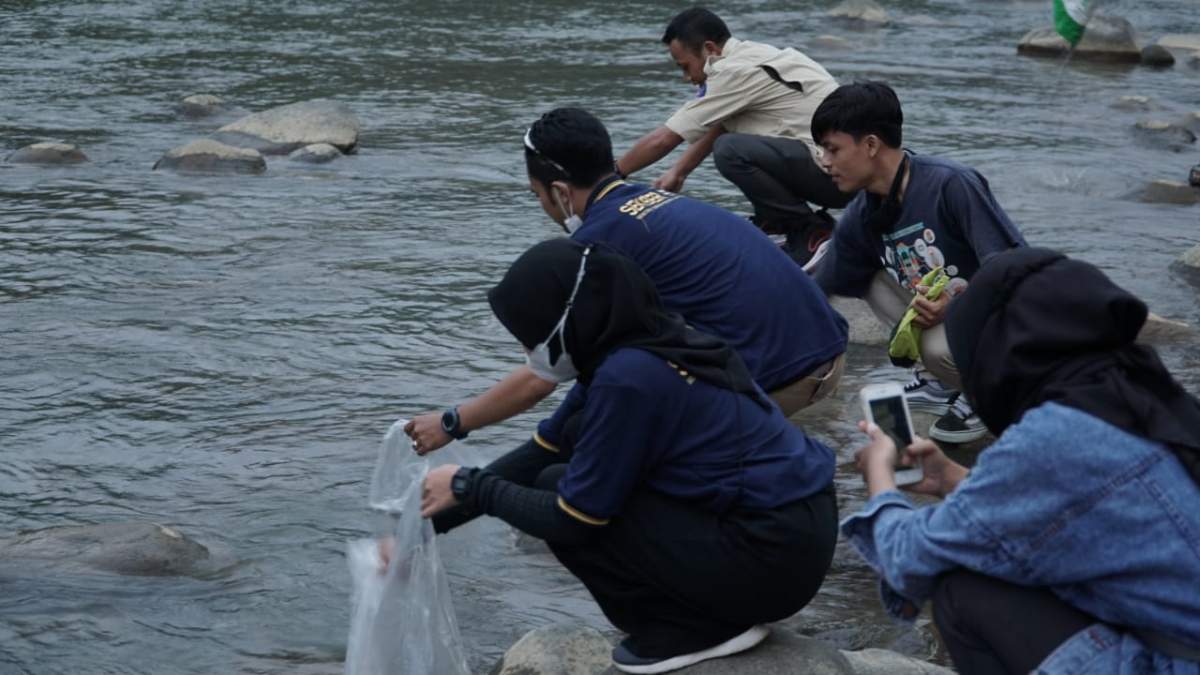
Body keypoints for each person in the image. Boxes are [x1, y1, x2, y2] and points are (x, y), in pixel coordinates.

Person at [420, 238, 839, 674]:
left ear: (569, 320)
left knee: (568, 496)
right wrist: (427, 527)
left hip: (772, 557)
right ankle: (702, 615)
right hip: (796, 532)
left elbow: (574, 518)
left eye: (531, 336)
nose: (528, 353)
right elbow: (540, 454)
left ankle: (694, 629)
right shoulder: (640, 344)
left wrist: (472, 486)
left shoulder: (629, 378)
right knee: (559, 475)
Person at [406, 107, 847, 455]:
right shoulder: (656, 201)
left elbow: (544, 377)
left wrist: (453, 422)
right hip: (829, 350)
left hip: (786, 375)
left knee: (610, 444)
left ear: (559, 191)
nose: (542, 206)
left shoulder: (600, 244)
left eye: (537, 195)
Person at [842, 247, 1200, 674]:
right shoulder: (1146, 394)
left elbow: (908, 558)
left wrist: (881, 477)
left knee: (965, 588)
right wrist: (953, 478)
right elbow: (1081, 510)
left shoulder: (1056, 436)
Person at [810, 81, 1026, 443]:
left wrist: (955, 306)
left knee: (937, 347)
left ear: (871, 145)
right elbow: (822, 290)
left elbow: (1011, 270)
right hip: (949, 321)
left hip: (1006, 329)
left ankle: (988, 394)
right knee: (857, 271)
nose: (825, 162)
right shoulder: (864, 212)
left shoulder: (950, 184)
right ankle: (942, 382)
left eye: (832, 149)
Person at [614, 7, 852, 264]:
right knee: (733, 142)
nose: (687, 78)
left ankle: (808, 230)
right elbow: (723, 123)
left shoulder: (733, 71)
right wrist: (679, 172)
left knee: (730, 150)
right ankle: (775, 225)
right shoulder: (754, 54)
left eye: (686, 66)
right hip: (846, 168)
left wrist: (612, 175)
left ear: (709, 49)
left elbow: (665, 138)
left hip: (835, 175)